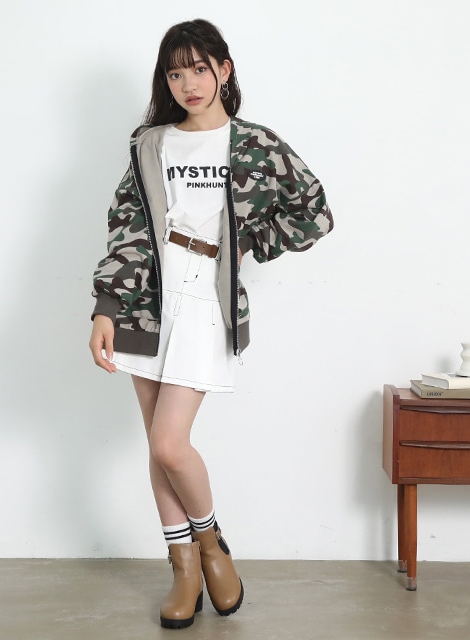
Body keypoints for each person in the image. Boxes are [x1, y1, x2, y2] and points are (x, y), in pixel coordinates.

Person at [89, 19, 333, 629]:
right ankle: (184, 570)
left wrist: (247, 244)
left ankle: (211, 543)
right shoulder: (151, 144)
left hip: (206, 299)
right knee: (158, 447)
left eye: (200, 68)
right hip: (149, 300)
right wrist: (106, 308)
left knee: (169, 443)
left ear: (224, 70)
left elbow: (314, 212)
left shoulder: (255, 144)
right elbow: (127, 230)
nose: (189, 83)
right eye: (176, 73)